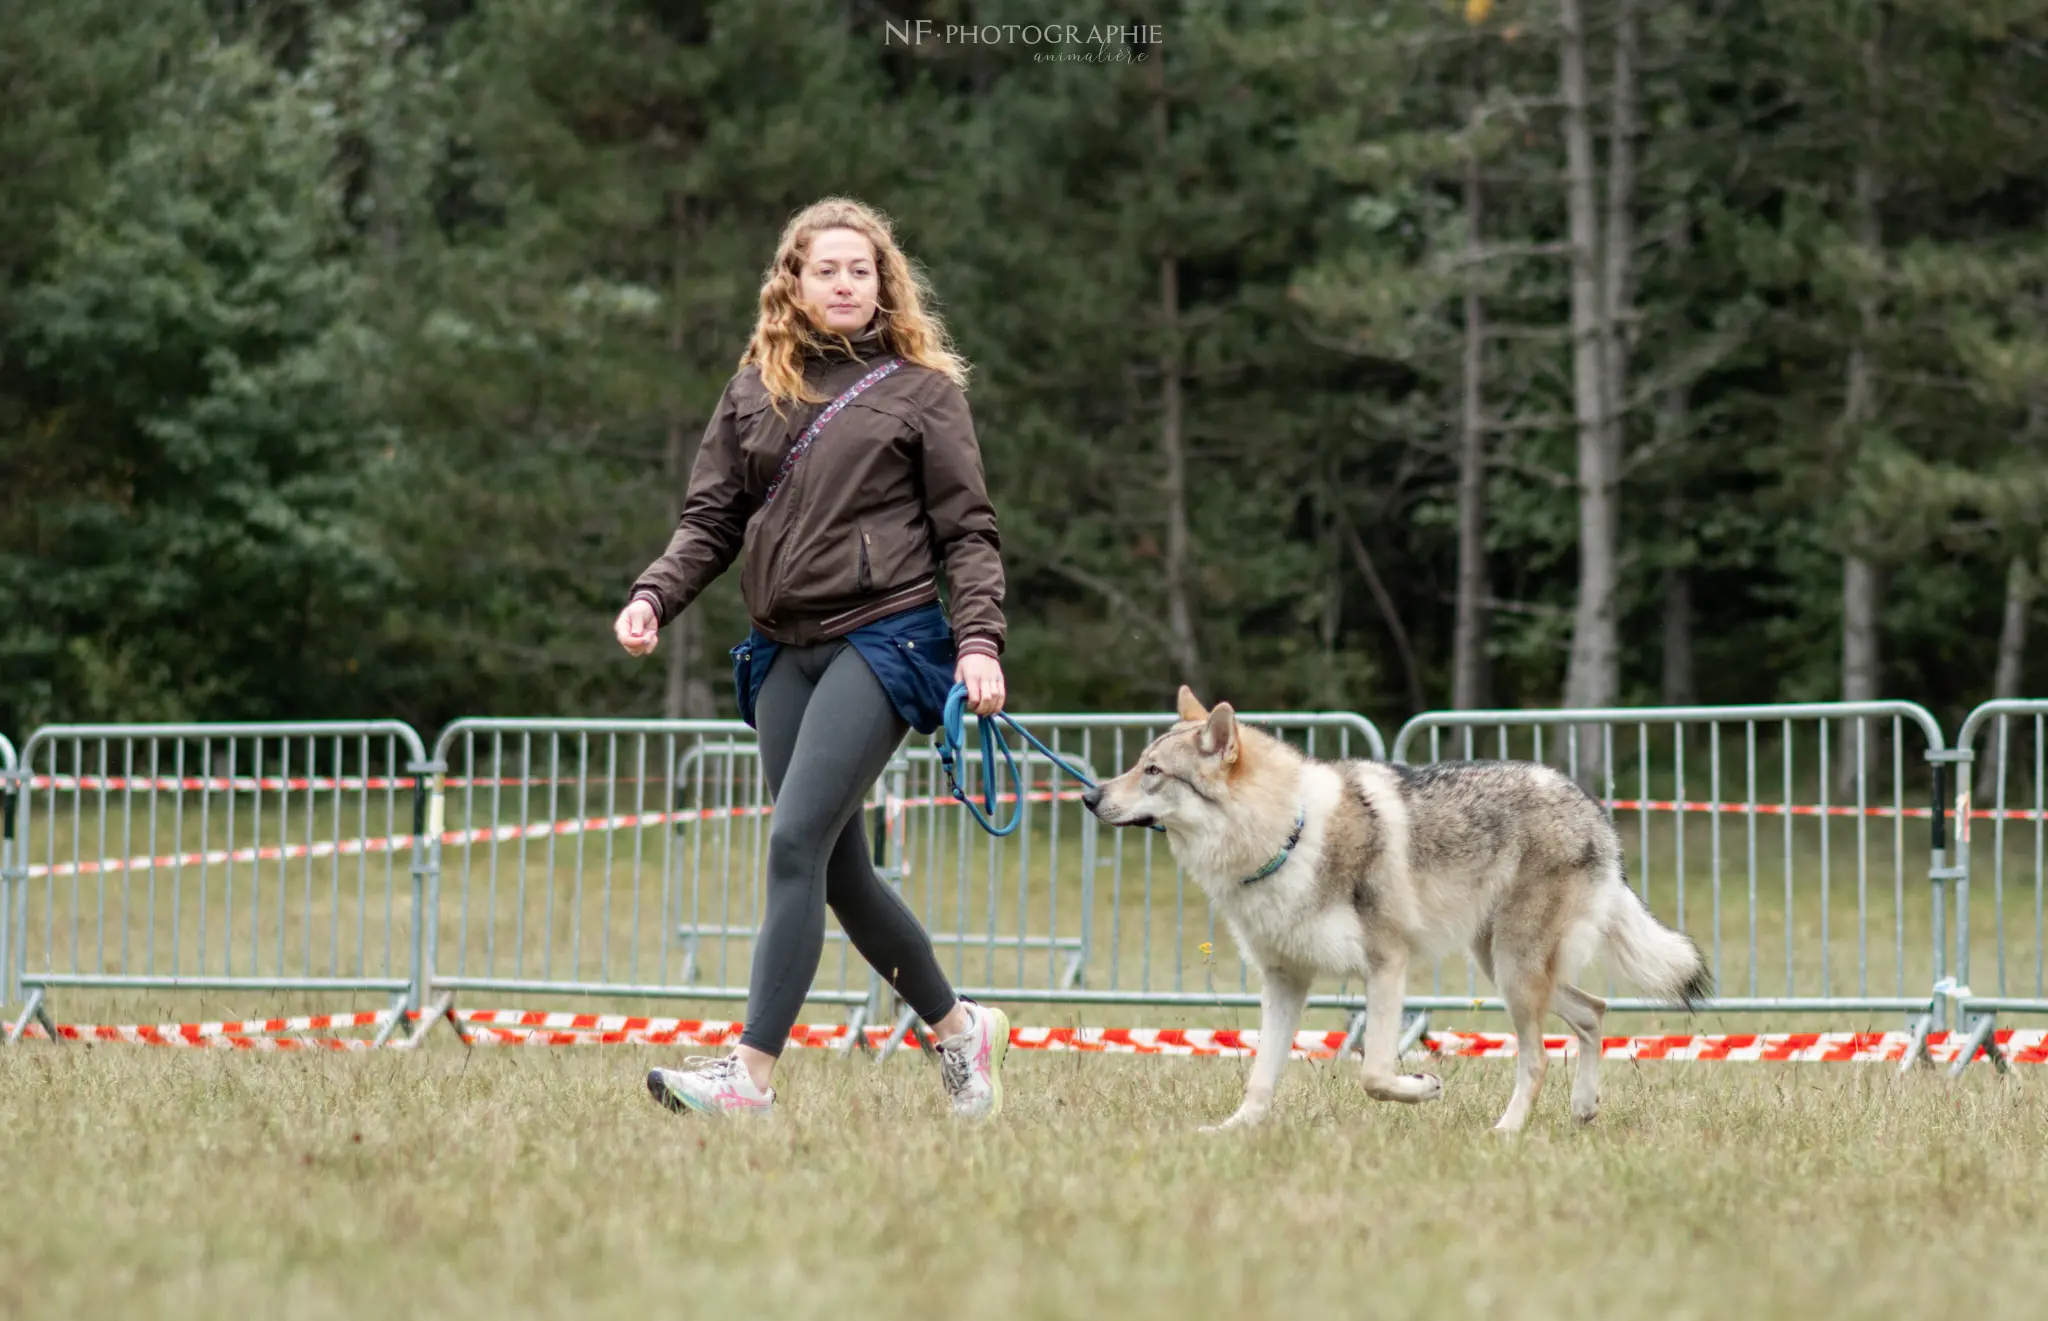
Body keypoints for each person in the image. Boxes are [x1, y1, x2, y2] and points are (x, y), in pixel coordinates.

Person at [614, 197, 1012, 1120]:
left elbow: (970, 532)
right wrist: (652, 595)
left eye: (860, 270)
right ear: (792, 282)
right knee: (834, 868)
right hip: (782, 647)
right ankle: (959, 1031)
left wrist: (981, 642)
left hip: (889, 636)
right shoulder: (757, 384)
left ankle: (747, 1076)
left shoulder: (923, 391)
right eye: (825, 269)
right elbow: (710, 518)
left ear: (885, 284)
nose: (844, 283)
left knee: (793, 840)